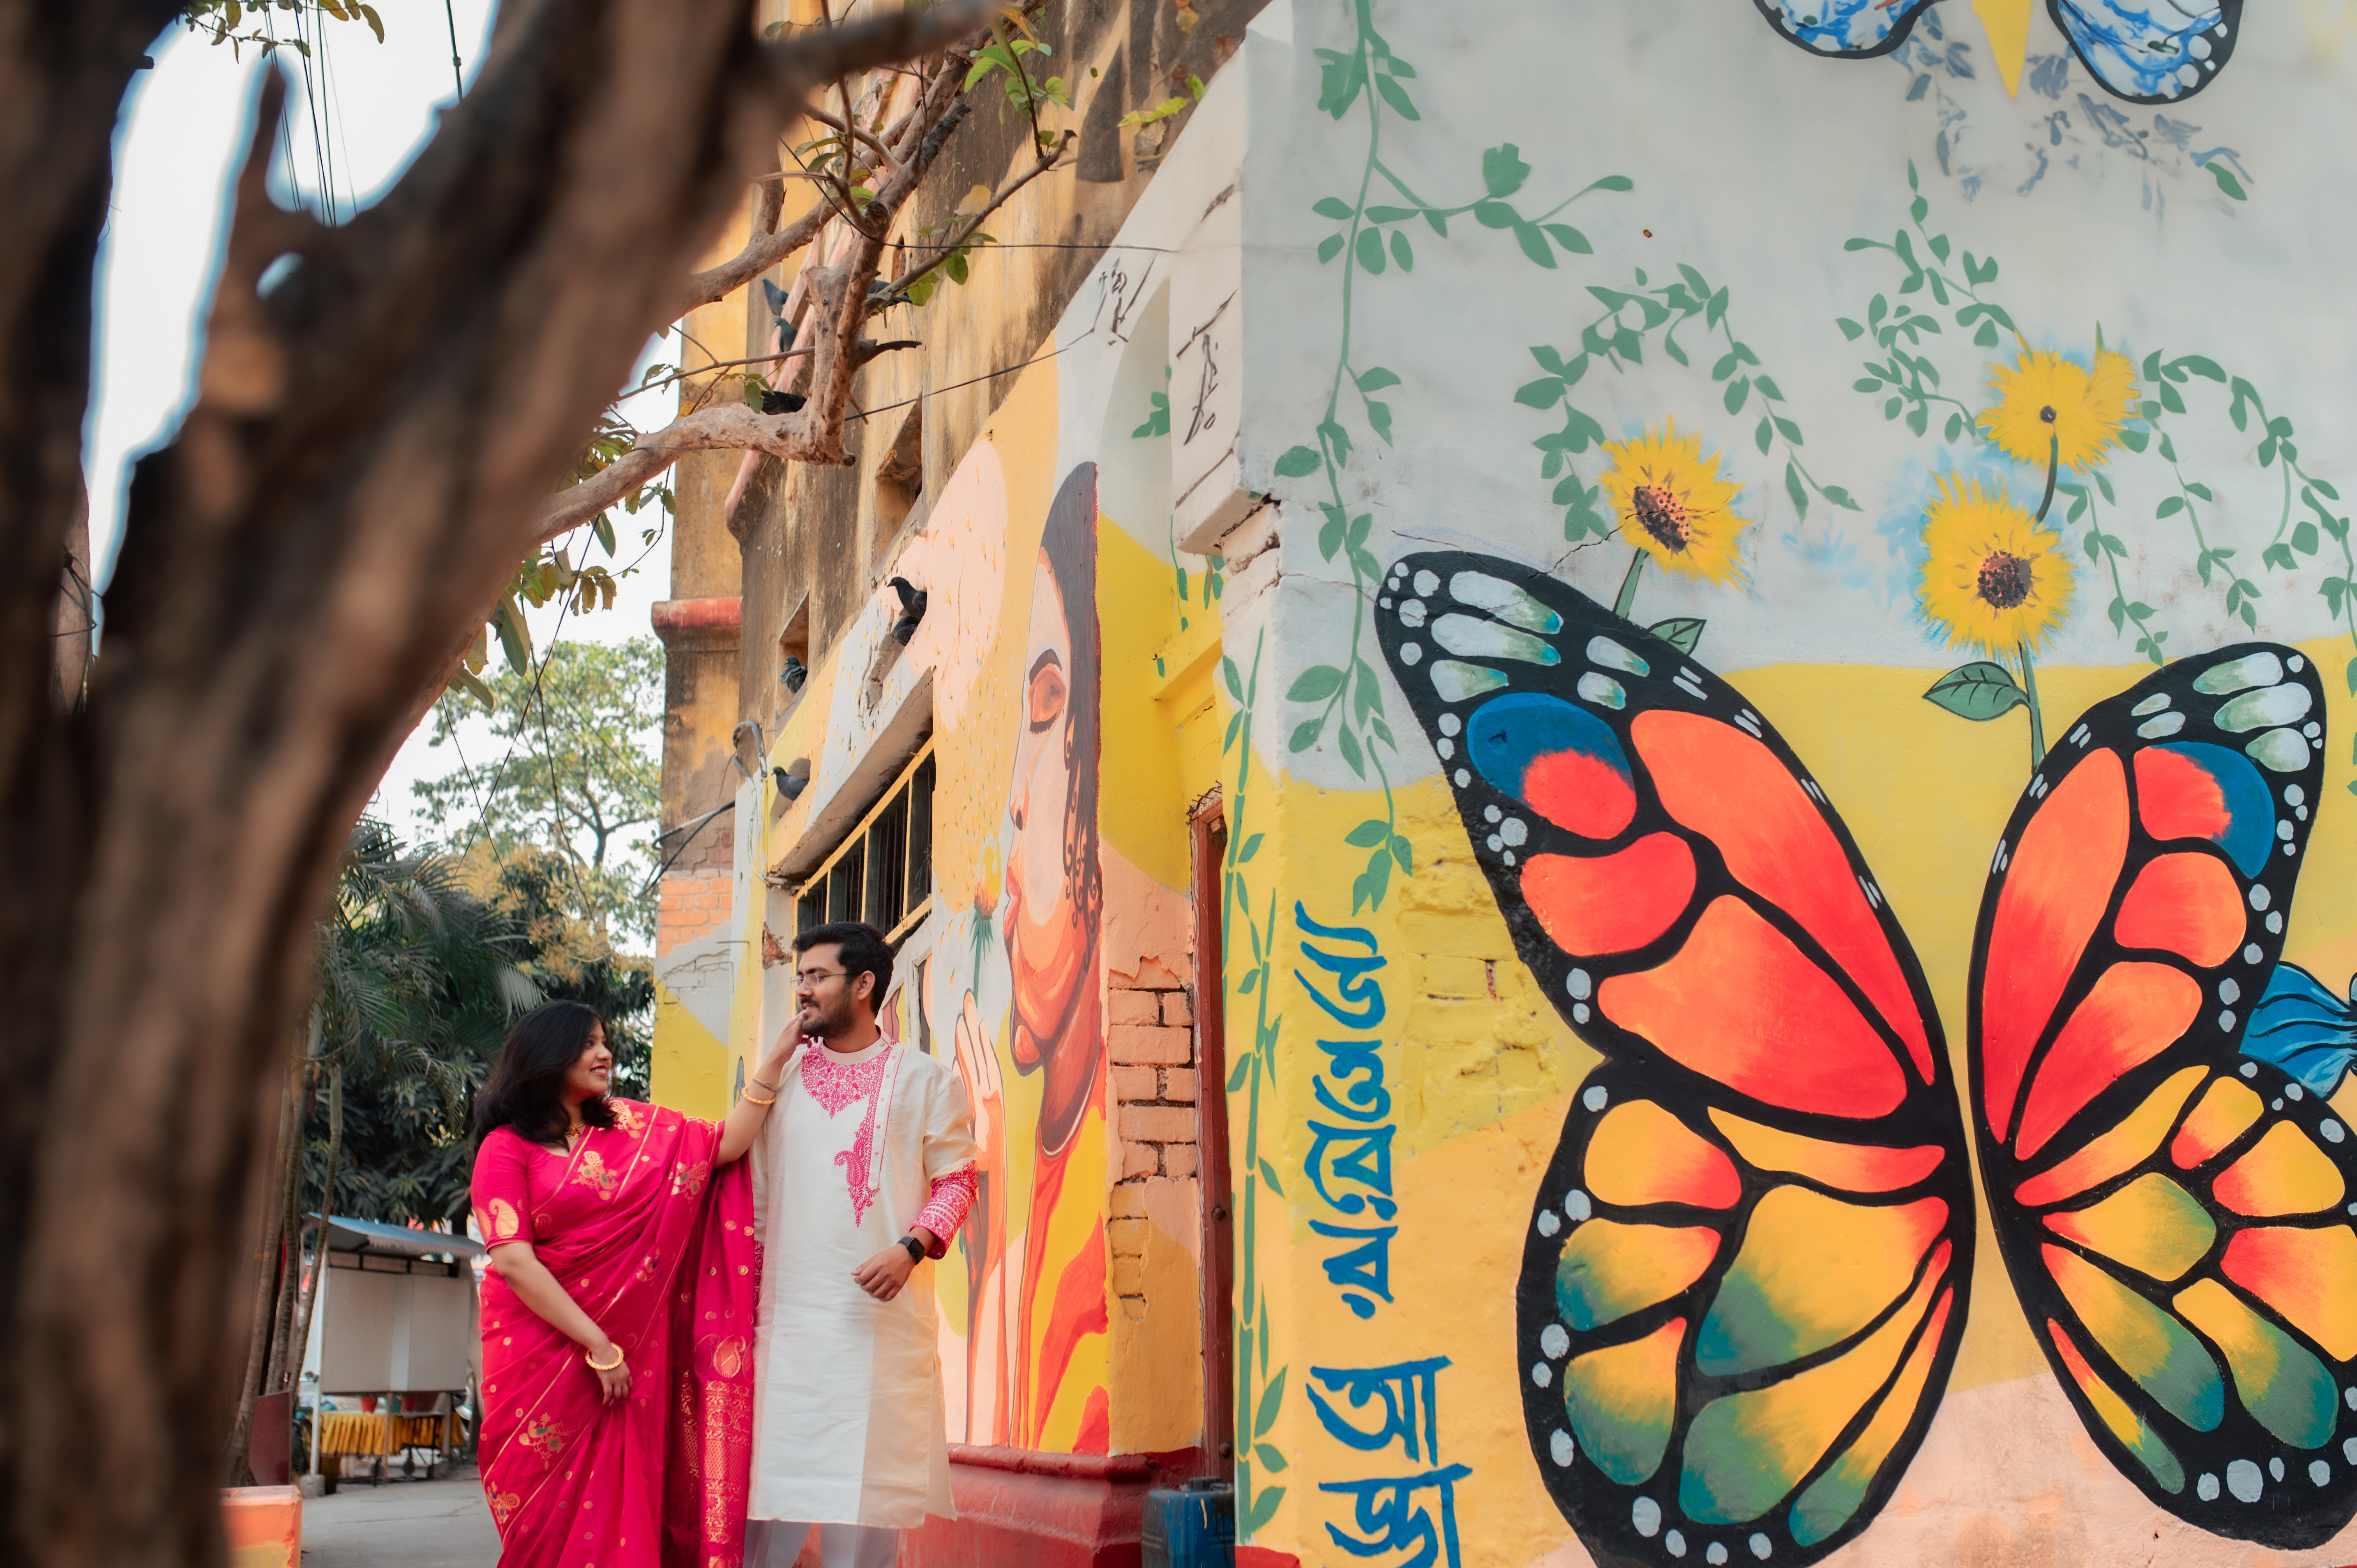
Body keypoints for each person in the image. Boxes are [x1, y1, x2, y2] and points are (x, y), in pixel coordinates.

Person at [469, 1000, 797, 1567]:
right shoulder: (505, 1148)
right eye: (589, 1044)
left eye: (605, 1042)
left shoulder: (634, 1128)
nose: (605, 1054)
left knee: (624, 1508)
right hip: (545, 1354)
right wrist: (598, 1344)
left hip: (631, 1351)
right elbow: (516, 1261)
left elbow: (724, 1146)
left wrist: (777, 1059)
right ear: (548, 1056)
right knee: (541, 1518)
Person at [745, 921, 980, 1568]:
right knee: (764, 1516)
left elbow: (958, 1182)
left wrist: (911, 1248)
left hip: (877, 1333)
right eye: (800, 979)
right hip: (784, 1334)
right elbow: (753, 1197)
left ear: (865, 984)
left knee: (866, 1514)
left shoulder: (926, 1080)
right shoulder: (782, 1079)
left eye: (817, 977)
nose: (804, 991)